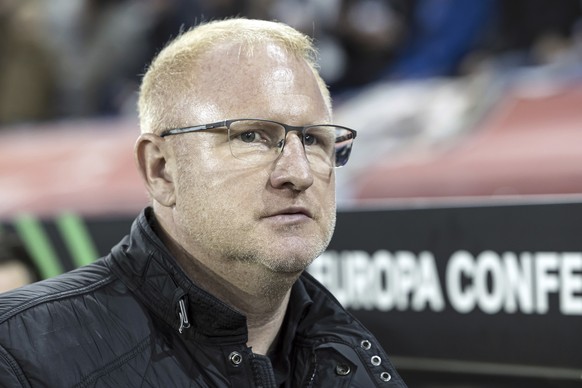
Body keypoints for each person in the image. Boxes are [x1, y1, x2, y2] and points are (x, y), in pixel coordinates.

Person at [0, 18, 406, 387]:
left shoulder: (357, 359)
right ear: (161, 169)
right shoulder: (19, 354)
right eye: (251, 137)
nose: (298, 173)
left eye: (315, 140)